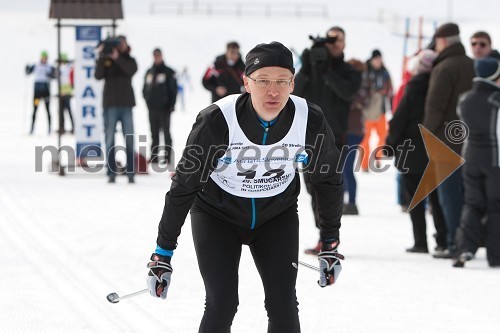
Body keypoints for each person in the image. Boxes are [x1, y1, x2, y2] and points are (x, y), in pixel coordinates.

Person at [146, 42, 344, 332]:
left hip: (276, 216)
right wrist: (162, 253)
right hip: (217, 215)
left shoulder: (309, 119)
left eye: (281, 81)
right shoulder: (217, 120)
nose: (273, 91)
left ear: (293, 83)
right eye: (263, 81)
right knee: (222, 303)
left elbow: (328, 180)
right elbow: (184, 187)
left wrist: (330, 240)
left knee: (283, 303)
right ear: (247, 83)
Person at [294, 26, 361, 253]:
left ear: (344, 43)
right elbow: (295, 92)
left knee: (329, 188)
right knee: (312, 187)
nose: (333, 43)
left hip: (335, 138)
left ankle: (329, 238)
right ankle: (323, 236)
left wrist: (325, 71)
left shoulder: (349, 70)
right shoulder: (312, 66)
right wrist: (307, 66)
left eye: (338, 39)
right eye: (329, 39)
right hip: (308, 137)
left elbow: (348, 92)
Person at [386, 49, 447, 254]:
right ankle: (443, 241)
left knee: (416, 199)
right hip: (436, 150)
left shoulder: (413, 87)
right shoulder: (441, 86)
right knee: (438, 200)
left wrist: (390, 145)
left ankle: (420, 241)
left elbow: (399, 119)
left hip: (412, 151)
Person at [423, 23, 475, 258]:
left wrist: (429, 136)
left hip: (446, 142)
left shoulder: (444, 68)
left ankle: (455, 243)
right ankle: (468, 242)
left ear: (443, 41)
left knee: (450, 198)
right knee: (466, 196)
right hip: (470, 141)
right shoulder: (471, 64)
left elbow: (434, 108)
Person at [452, 57, 500, 268]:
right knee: (495, 206)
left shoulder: (464, 99)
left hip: (469, 156)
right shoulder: (496, 100)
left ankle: (465, 249)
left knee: (472, 203)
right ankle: (495, 255)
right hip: (493, 159)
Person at [95, 35, 138, 184]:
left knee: (130, 139)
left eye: (122, 43)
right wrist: (102, 56)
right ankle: (111, 173)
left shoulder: (129, 60)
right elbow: (98, 75)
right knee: (109, 139)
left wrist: (117, 58)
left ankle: (131, 173)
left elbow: (130, 71)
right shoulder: (107, 60)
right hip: (110, 104)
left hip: (126, 104)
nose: (119, 46)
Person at [342, 58, 369, 215]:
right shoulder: (357, 85)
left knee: (346, 169)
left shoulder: (358, 85)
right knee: (342, 168)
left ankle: (351, 202)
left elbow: (356, 102)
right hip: (350, 130)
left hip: (353, 131)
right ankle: (346, 200)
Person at [360, 49, 393, 172]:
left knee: (383, 136)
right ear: (372, 59)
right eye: (376, 59)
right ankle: (364, 164)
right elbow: (361, 90)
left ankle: (378, 157)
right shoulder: (366, 71)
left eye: (380, 59)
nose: (378, 62)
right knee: (365, 138)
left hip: (381, 110)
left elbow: (390, 89)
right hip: (367, 111)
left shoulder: (385, 73)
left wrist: (390, 104)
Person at [142, 48, 178, 165]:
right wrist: (148, 101)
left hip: (165, 108)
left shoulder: (168, 72)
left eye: (158, 55)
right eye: (155, 56)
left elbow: (173, 90)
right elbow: (145, 89)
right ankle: (154, 156)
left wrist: (171, 105)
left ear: (162, 56)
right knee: (154, 132)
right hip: (152, 108)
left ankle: (167, 157)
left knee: (166, 132)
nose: (156, 58)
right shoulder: (149, 72)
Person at [26, 50, 55, 135]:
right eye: (43, 57)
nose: (44, 59)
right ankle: (32, 128)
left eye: (45, 58)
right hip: (37, 92)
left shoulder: (49, 66)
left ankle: (49, 129)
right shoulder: (36, 65)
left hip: (46, 91)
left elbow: (55, 75)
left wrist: (51, 75)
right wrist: (27, 68)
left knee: (48, 110)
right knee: (35, 110)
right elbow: (28, 72)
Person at [58, 53, 75, 134]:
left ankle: (73, 127)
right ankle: (62, 127)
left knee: (68, 110)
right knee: (61, 111)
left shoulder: (68, 67)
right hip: (61, 92)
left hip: (67, 92)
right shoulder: (60, 68)